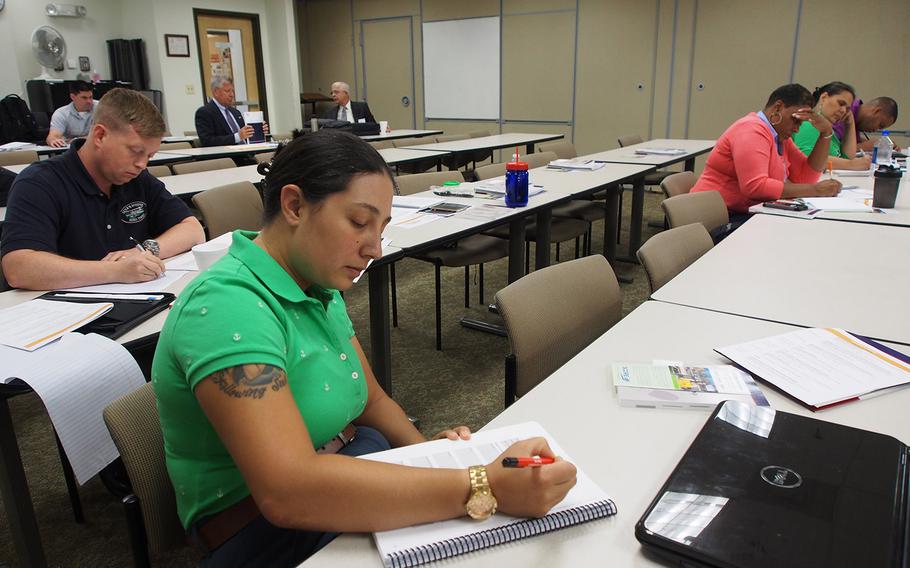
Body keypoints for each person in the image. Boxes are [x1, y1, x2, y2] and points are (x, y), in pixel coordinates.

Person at [152, 130, 576, 567]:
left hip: (346, 463)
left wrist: (431, 457)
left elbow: (371, 400)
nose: (374, 249)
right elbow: (287, 493)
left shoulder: (314, 279)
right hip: (263, 533)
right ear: (294, 205)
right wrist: (480, 485)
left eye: (381, 229)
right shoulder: (228, 307)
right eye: (359, 222)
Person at [1, 88, 204, 290]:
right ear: (100, 135)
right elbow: (19, 268)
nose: (142, 164)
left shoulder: (137, 179)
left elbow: (193, 229)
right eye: (135, 151)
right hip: (64, 312)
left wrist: (144, 250)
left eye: (149, 156)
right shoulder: (40, 182)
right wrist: (117, 271)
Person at [691, 83, 841, 219]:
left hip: (744, 213)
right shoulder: (751, 130)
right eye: (795, 120)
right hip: (715, 218)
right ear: (777, 108)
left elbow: (804, 178)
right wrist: (815, 190)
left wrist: (826, 132)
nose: (796, 128)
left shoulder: (780, 136)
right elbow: (755, 187)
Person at [791, 82, 870, 170]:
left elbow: (847, 157)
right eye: (840, 104)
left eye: (848, 109)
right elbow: (808, 158)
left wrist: (850, 123)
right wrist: (850, 164)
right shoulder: (808, 124)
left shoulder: (828, 131)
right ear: (824, 97)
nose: (843, 111)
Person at [195, 76, 269, 147]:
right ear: (216, 92)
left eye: (232, 91)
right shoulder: (204, 112)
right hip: (226, 157)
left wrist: (259, 131)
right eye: (227, 91)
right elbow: (207, 141)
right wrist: (237, 137)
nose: (232, 95)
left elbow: (245, 135)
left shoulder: (235, 112)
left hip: (247, 153)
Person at [833, 96, 900, 153]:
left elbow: (846, 139)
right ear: (876, 111)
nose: (875, 130)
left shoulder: (857, 118)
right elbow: (831, 151)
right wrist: (864, 147)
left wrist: (882, 145)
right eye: (880, 125)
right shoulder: (844, 113)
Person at [46, 80, 98, 147]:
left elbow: (108, 134)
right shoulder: (61, 113)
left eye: (90, 97)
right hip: (71, 151)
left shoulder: (101, 107)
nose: (89, 101)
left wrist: (76, 140)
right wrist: (53, 140)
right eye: (84, 98)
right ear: (73, 97)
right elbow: (53, 136)